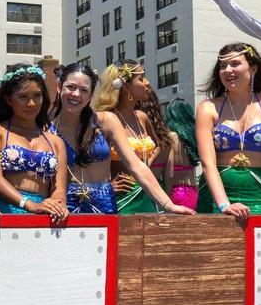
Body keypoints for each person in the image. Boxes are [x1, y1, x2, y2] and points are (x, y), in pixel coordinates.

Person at [51, 63, 193, 215]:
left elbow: (136, 165)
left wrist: (168, 205)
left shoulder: (106, 121)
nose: (76, 94)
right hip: (63, 208)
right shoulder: (46, 128)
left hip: (104, 206)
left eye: (84, 90)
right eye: (71, 87)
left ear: (91, 95)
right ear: (59, 87)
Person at [195, 42, 261, 226]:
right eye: (223, 66)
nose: (228, 70)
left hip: (259, 191)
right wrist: (224, 205)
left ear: (253, 69)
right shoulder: (208, 108)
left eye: (235, 64)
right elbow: (207, 163)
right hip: (216, 196)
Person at [91, 60, 195, 215]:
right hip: (120, 200)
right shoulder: (105, 119)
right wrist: (105, 185)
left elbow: (158, 145)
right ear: (126, 86)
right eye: (141, 78)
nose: (148, 82)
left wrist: (147, 163)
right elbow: (90, 160)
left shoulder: (142, 117)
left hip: (147, 194)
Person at [0, 64, 69, 220]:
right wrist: (29, 205)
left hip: (43, 217)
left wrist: (57, 206)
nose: (31, 103)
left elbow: (59, 188)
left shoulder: (56, 142)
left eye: (37, 95)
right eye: (23, 96)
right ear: (8, 99)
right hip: (0, 216)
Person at [164, 98, 200, 210]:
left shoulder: (169, 137)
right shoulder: (195, 136)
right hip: (193, 191)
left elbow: (169, 174)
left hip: (174, 192)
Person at [134, 89, 173, 190]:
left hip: (135, 188)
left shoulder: (134, 134)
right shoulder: (165, 136)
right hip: (158, 188)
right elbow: (169, 174)